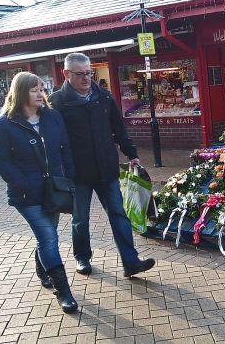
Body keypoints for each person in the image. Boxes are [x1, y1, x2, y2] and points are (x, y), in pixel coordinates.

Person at [48, 53, 155, 279]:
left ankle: (130, 261)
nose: (87, 78)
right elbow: (52, 139)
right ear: (65, 74)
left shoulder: (104, 97)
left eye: (89, 73)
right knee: (81, 218)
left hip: (106, 168)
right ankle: (82, 257)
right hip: (77, 173)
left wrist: (131, 154)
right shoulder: (57, 102)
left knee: (119, 214)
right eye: (80, 74)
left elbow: (119, 129)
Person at [0, 72, 78, 313]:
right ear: (20, 93)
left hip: (54, 190)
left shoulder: (53, 117)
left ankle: (42, 268)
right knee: (49, 238)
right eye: (34, 90)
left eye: (42, 89)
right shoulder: (5, 124)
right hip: (26, 194)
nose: (41, 94)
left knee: (46, 237)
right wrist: (24, 183)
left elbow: (65, 149)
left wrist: (68, 178)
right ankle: (64, 291)